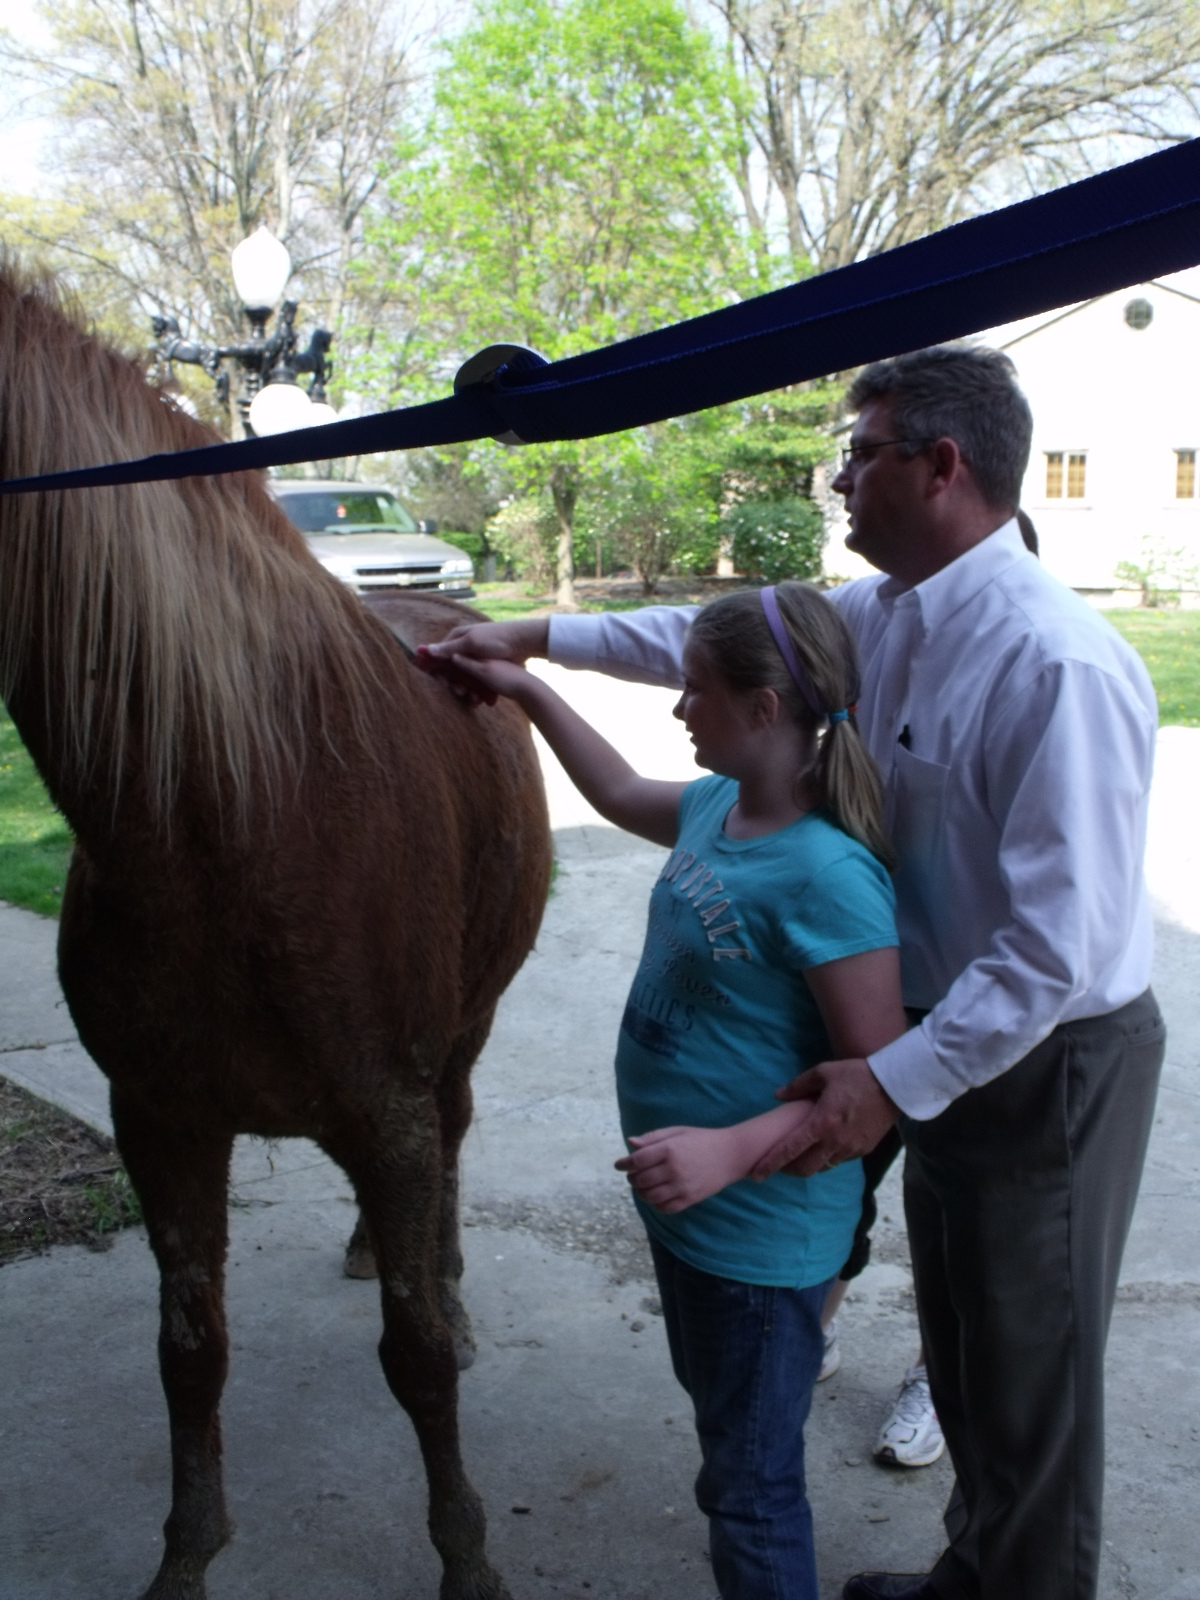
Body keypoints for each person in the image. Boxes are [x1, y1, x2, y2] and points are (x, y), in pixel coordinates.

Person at [428, 344, 1166, 1600]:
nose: (837, 482)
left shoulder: (1056, 663)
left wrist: (885, 1082)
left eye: (859, 455)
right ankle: (973, 1572)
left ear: (940, 467)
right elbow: (698, 642)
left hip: (1046, 1064)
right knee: (971, 1342)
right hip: (935, 1037)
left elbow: (1060, 945)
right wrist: (539, 636)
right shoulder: (885, 615)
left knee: (1033, 1378)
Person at [446, 582, 907, 1600]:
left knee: (748, 1487)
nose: (677, 707)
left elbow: (875, 1089)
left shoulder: (827, 875)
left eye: (695, 690)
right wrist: (524, 689)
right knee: (728, 1421)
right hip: (694, 1214)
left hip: (759, 1226)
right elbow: (613, 791)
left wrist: (732, 1148)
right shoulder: (717, 807)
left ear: (764, 709)